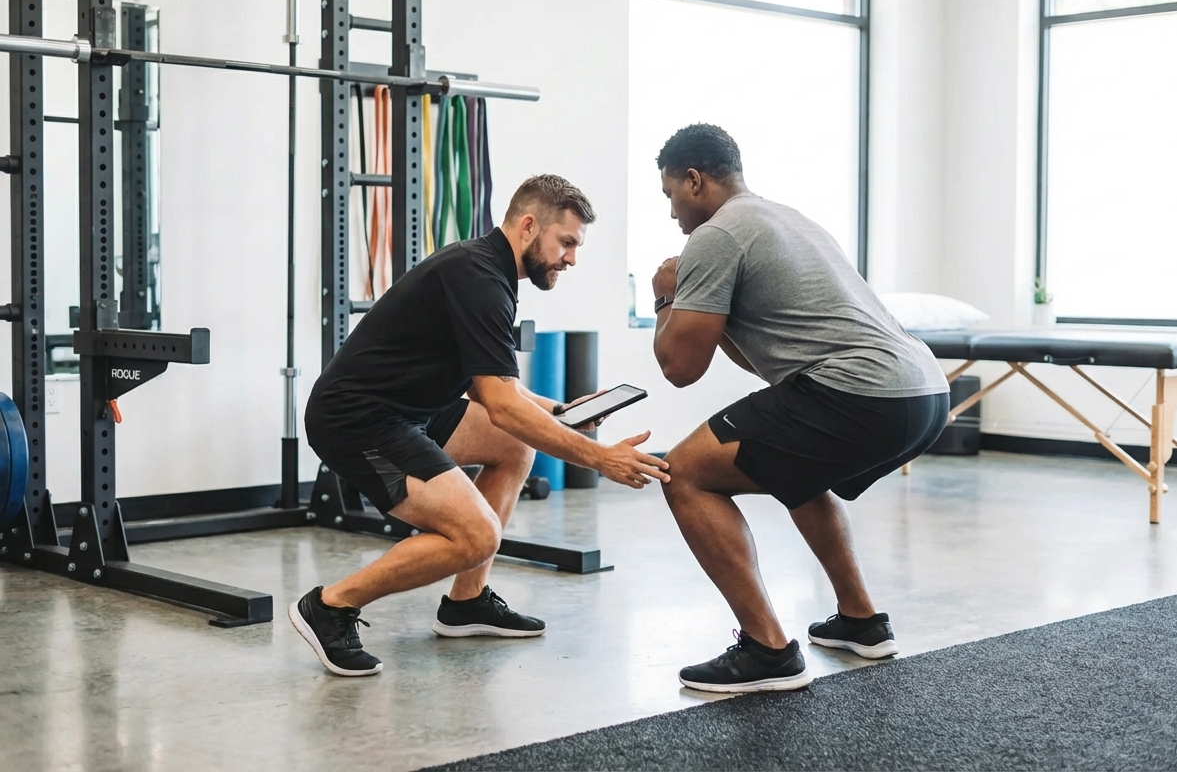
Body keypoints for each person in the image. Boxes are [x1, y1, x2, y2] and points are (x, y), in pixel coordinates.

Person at [292, 174, 670, 677]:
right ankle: (331, 605)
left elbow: (490, 386)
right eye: (567, 243)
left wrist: (561, 413)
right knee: (476, 535)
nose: (571, 259)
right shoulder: (479, 278)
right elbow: (501, 403)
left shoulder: (489, 272)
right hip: (358, 418)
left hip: (409, 408)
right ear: (530, 225)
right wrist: (600, 458)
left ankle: (465, 603)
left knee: (514, 447)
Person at [649, 124, 949, 693]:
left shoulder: (715, 236)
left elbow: (679, 369)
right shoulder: (784, 218)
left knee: (684, 471)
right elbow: (764, 358)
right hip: (924, 390)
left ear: (695, 180)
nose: (671, 213)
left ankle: (767, 650)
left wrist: (667, 292)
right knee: (794, 468)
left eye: (670, 195)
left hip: (861, 390)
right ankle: (861, 621)